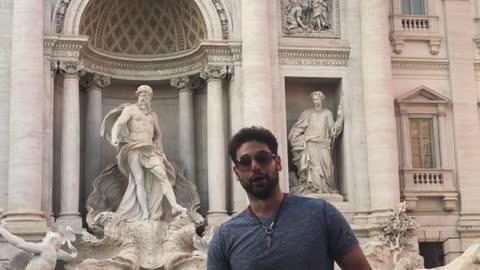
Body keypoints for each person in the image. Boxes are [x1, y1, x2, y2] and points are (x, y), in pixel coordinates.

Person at [207, 126, 371, 270]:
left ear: (277, 162)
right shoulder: (224, 237)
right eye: (245, 161)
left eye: (262, 158)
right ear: (237, 173)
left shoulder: (322, 213)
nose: (255, 167)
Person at [106, 85, 186, 221]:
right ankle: (144, 213)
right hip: (133, 148)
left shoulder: (153, 115)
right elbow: (119, 124)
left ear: (150, 98)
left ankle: (174, 205)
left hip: (149, 150)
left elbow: (158, 134)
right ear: (137, 96)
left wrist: (158, 147)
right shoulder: (130, 110)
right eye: (141, 95)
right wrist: (114, 137)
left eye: (147, 95)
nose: (144, 98)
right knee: (139, 181)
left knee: (162, 175)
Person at [288, 91, 343, 194]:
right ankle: (315, 189)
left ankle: (329, 188)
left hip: (324, 144)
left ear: (321, 100)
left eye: (317, 99)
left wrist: (340, 118)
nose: (315, 101)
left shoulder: (327, 113)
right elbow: (297, 129)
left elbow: (333, 131)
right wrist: (302, 138)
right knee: (313, 167)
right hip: (311, 144)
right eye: (313, 100)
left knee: (328, 166)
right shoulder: (308, 113)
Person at [0, 221, 77, 270]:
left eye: (46, 237)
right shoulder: (57, 253)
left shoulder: (46, 247)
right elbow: (71, 256)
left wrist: (2, 231)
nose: (43, 238)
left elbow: (20, 244)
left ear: (53, 239)